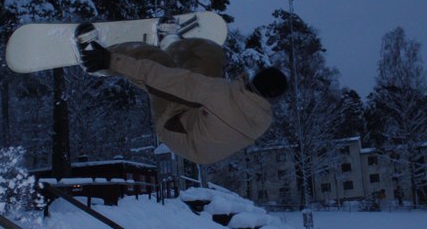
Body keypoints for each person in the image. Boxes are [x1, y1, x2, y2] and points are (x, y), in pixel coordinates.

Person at [75, 24, 287, 166]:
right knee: (211, 54)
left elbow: (164, 79)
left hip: (176, 127)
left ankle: (95, 60)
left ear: (254, 79)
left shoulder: (218, 94)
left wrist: (112, 61)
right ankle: (172, 45)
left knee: (156, 62)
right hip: (203, 134)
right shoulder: (263, 118)